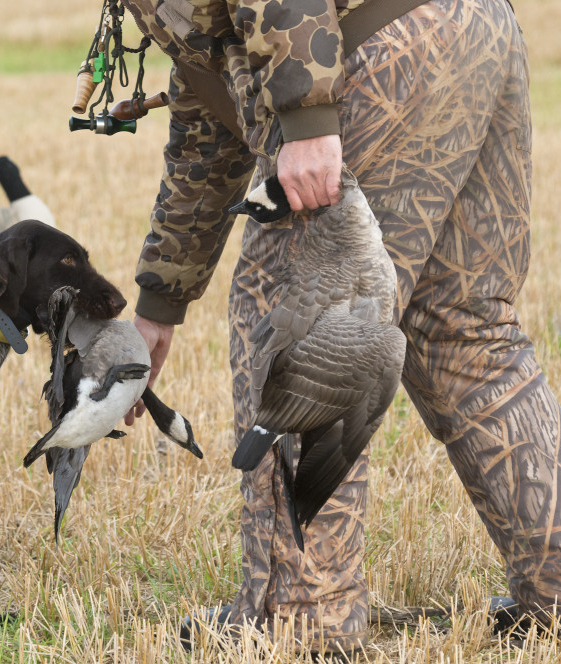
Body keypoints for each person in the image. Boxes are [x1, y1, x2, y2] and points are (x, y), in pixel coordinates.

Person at [117, 0, 561, 655]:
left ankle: (303, 622)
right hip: (471, 27)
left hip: (366, 51)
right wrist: (161, 299)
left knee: (298, 324)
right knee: (464, 331)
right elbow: (210, 107)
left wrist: (307, 116)